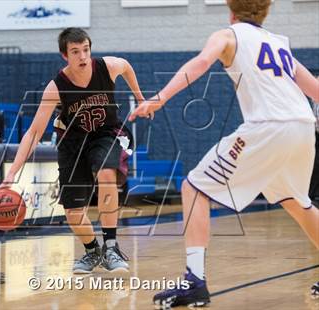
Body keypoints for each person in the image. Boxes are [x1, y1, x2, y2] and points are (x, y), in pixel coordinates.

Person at [129, 0, 319, 307]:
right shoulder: (280, 44)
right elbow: (316, 91)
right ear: (265, 11)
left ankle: (194, 281)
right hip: (302, 128)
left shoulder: (228, 35)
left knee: (193, 188)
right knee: (298, 203)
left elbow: (200, 63)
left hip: (268, 127)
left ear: (231, 10)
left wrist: (159, 98)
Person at [0, 28, 144, 273]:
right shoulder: (56, 88)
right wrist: (13, 171)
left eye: (86, 49)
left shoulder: (107, 67)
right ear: (64, 55)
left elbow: (127, 66)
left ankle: (111, 247)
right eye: (75, 52)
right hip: (73, 144)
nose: (83, 56)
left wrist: (141, 99)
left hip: (107, 134)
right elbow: (34, 132)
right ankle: (92, 251)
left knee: (106, 172)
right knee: (73, 213)